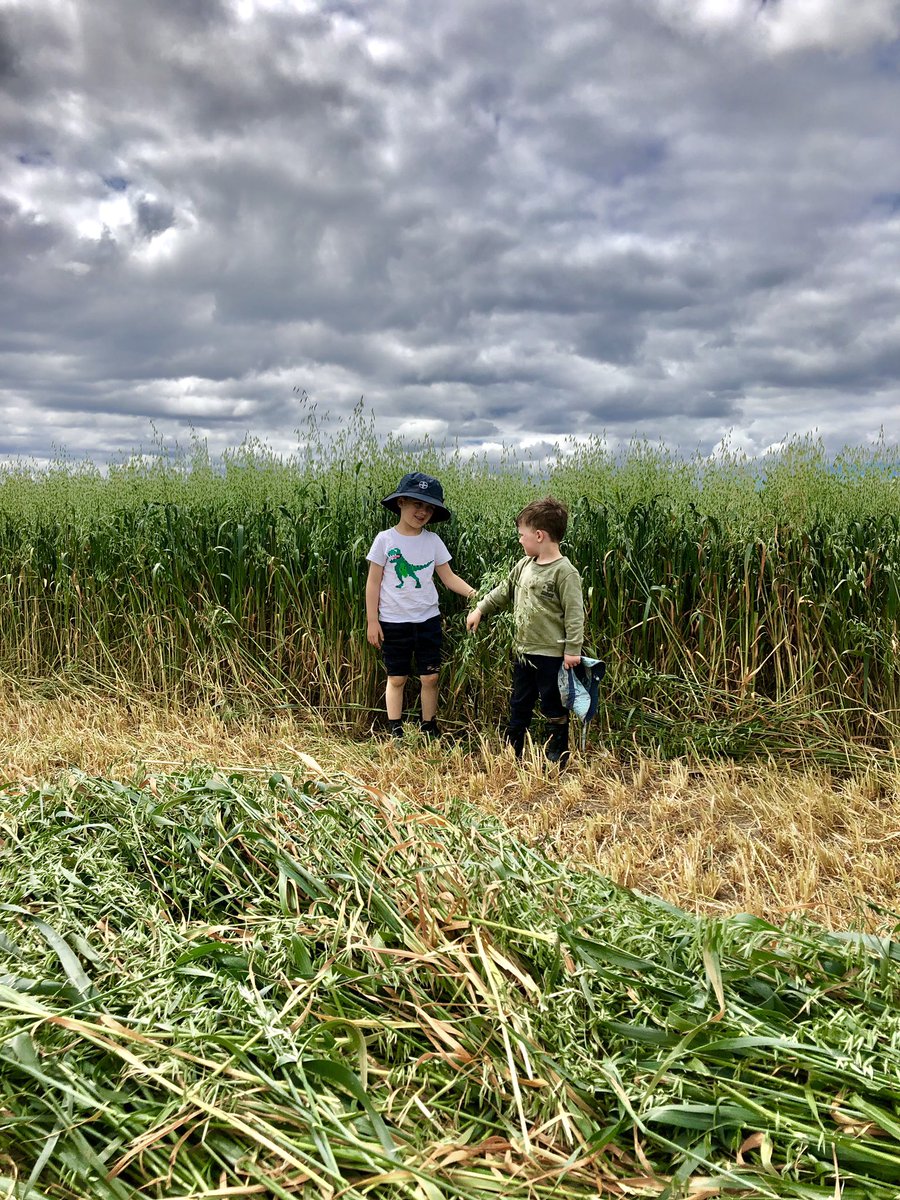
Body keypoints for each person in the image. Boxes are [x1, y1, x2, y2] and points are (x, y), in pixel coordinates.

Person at [466, 496, 583, 763]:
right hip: (523, 651)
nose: (520, 540)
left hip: (552, 655)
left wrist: (572, 651)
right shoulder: (524, 566)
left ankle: (557, 749)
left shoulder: (565, 573)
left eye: (522, 535)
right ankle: (513, 747)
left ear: (539, 535)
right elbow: (503, 591)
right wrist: (480, 609)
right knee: (520, 701)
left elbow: (575, 615)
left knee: (552, 703)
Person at [366, 471, 476, 739]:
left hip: (428, 620)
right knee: (397, 678)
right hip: (393, 621)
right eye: (417, 504)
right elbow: (373, 583)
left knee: (430, 677)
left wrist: (478, 595)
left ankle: (429, 726)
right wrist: (372, 621)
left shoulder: (433, 541)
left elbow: (448, 577)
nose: (423, 511)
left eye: (428, 507)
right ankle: (396, 729)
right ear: (401, 502)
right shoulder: (384, 540)